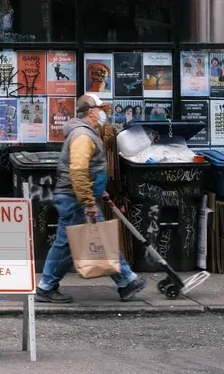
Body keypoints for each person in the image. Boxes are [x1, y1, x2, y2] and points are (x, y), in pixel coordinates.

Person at [35, 94, 146, 303]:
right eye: (101, 109)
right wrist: (87, 201)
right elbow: (78, 171)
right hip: (75, 200)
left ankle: (125, 281)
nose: (104, 114)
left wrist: (98, 189)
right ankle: (46, 286)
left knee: (95, 239)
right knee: (68, 244)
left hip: (78, 197)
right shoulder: (82, 136)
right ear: (91, 111)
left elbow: (87, 169)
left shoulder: (86, 133)